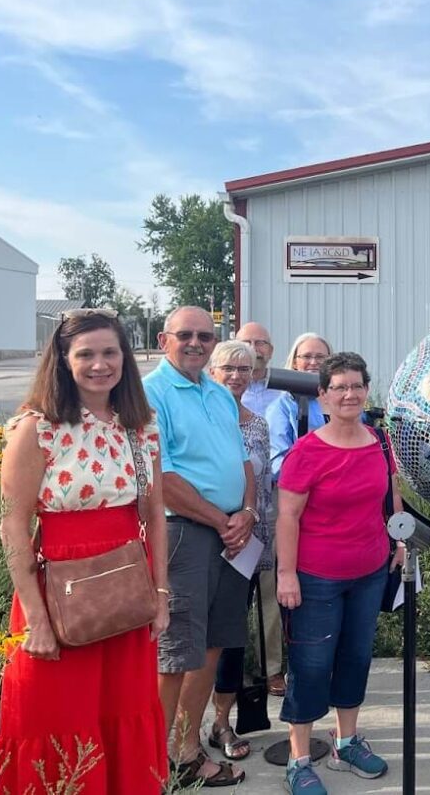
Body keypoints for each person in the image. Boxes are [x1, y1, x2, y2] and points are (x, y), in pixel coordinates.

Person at [0, 308, 170, 794]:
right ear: (63, 360)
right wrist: (37, 619)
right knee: (52, 720)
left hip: (126, 596)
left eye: (110, 352)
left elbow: (154, 515)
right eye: (85, 354)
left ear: (125, 359)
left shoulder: (140, 426)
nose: (99, 364)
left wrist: (161, 596)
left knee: (122, 714)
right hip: (57, 597)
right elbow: (13, 525)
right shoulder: (37, 426)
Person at [275, 352, 403, 794]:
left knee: (355, 657)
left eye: (357, 385)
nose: (349, 394)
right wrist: (286, 575)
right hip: (316, 577)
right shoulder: (306, 452)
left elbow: (392, 496)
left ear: (367, 390)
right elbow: (287, 517)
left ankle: (346, 742)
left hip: (369, 572)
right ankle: (298, 759)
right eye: (339, 387)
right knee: (311, 665)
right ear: (323, 396)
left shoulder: (380, 442)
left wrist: (398, 541)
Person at [145, 306, 256, 789]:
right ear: (163, 338)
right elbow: (161, 478)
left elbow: (242, 461)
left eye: (205, 336)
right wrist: (221, 519)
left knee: (212, 645)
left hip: (232, 534)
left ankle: (185, 749)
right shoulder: (151, 394)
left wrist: (247, 513)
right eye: (185, 335)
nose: (196, 343)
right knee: (176, 653)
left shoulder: (218, 392)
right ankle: (152, 762)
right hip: (187, 533)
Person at [206, 340, 274, 761]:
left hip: (246, 544)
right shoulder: (201, 420)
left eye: (244, 369)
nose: (236, 376)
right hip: (202, 537)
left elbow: (263, 487)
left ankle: (220, 723)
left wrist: (251, 528)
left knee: (232, 637)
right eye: (228, 368)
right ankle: (177, 727)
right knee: (192, 635)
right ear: (213, 371)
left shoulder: (257, 424)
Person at [236, 321, 286, 696]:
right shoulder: (220, 392)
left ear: (271, 349)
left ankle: (272, 669)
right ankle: (232, 667)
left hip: (272, 507)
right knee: (234, 594)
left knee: (269, 593)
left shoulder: (283, 392)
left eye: (261, 343)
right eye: (247, 342)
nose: (255, 349)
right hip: (230, 510)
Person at [267, 332, 332, 477]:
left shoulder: (342, 399)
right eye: (307, 356)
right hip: (304, 489)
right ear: (295, 362)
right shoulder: (283, 406)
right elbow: (277, 463)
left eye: (320, 357)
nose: (314, 362)